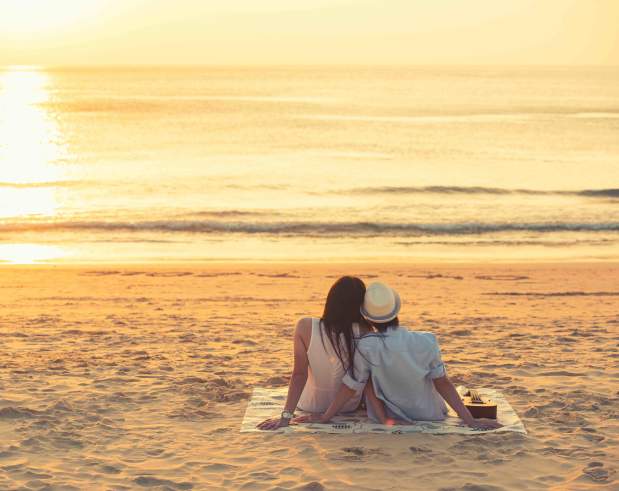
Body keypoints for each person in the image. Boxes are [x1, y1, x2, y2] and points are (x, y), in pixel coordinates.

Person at [294, 282, 502, 431]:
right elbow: (443, 383)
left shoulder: (367, 346)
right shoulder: (427, 340)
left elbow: (355, 386)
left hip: (392, 415)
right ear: (396, 310)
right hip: (431, 413)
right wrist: (469, 420)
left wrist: (325, 417)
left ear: (365, 315)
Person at [257, 276, 370, 430]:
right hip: (348, 406)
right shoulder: (365, 331)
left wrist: (286, 418)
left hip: (311, 404)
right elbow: (356, 380)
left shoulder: (305, 326)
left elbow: (299, 375)